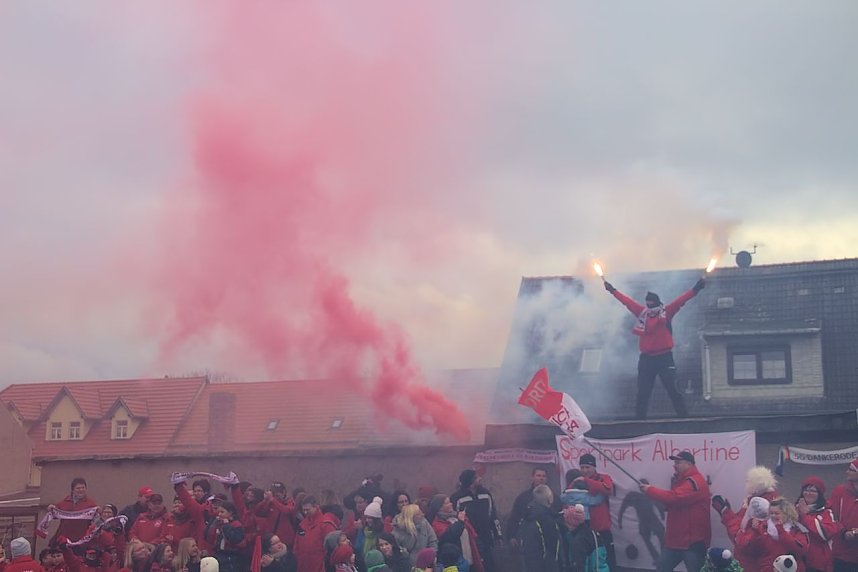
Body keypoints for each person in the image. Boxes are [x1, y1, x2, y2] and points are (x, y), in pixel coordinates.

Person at [603, 277, 704, 419]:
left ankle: (684, 419)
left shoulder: (666, 312)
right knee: (643, 392)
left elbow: (681, 300)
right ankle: (639, 422)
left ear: (657, 303)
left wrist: (696, 289)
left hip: (664, 358)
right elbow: (627, 302)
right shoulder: (642, 313)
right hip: (647, 359)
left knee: (673, 389)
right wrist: (613, 291)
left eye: (651, 304)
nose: (649, 307)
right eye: (647, 304)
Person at [640, 451, 711, 572]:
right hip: (676, 541)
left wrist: (650, 490)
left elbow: (674, 497)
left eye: (678, 462)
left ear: (689, 464)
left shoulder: (695, 482)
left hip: (692, 543)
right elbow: (674, 501)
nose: (674, 465)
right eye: (674, 462)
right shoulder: (683, 482)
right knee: (662, 567)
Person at [713, 465, 779, 571]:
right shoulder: (773, 504)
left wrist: (726, 514)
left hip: (750, 563)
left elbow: (740, 537)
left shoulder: (756, 506)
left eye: (748, 480)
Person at [450, 470, 501, 572]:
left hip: (485, 537)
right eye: (476, 477)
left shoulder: (485, 494)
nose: (480, 479)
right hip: (468, 540)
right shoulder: (457, 498)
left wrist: (498, 534)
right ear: (470, 481)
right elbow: (453, 519)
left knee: (489, 565)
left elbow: (493, 515)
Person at [573, 455, 615, 570]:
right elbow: (568, 496)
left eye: (587, 467)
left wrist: (586, 481)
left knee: (607, 560)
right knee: (586, 562)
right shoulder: (577, 481)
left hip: (601, 529)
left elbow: (608, 489)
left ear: (594, 467)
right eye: (582, 467)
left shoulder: (604, 477)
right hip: (584, 529)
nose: (584, 471)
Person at [506, 468, 559, 555]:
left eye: (544, 476)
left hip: (548, 537)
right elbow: (515, 517)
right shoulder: (523, 498)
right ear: (532, 477)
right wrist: (512, 535)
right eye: (538, 475)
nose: (541, 478)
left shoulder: (554, 497)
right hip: (528, 538)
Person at [426, 494, 482, 572]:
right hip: (454, 563)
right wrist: (460, 522)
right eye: (447, 503)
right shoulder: (436, 524)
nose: (451, 504)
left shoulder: (456, 516)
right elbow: (449, 537)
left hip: (469, 558)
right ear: (440, 507)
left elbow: (471, 534)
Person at [795, 476, 836, 572]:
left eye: (813, 491)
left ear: (819, 494)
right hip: (798, 563)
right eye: (806, 490)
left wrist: (804, 516)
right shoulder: (794, 510)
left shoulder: (827, 512)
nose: (808, 493)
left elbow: (825, 534)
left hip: (819, 565)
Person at [517, 485, 561, 572]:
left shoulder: (527, 516)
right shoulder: (546, 520)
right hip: (544, 566)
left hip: (528, 564)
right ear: (549, 499)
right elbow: (553, 549)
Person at [827, 459, 858, 571]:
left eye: (851, 470)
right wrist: (844, 533)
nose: (846, 472)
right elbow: (831, 517)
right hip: (842, 554)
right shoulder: (840, 491)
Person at [293, 496, 337, 572]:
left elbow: (332, 548)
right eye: (304, 510)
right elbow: (296, 546)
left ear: (316, 507)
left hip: (320, 566)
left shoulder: (326, 524)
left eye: (308, 510)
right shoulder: (302, 525)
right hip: (303, 566)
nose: (305, 512)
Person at [52, 478, 100, 544]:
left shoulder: (91, 504)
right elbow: (54, 514)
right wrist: (51, 509)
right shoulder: (65, 502)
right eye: (78, 488)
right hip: (64, 537)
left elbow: (96, 522)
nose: (81, 490)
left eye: (83, 488)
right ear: (72, 490)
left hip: (81, 539)